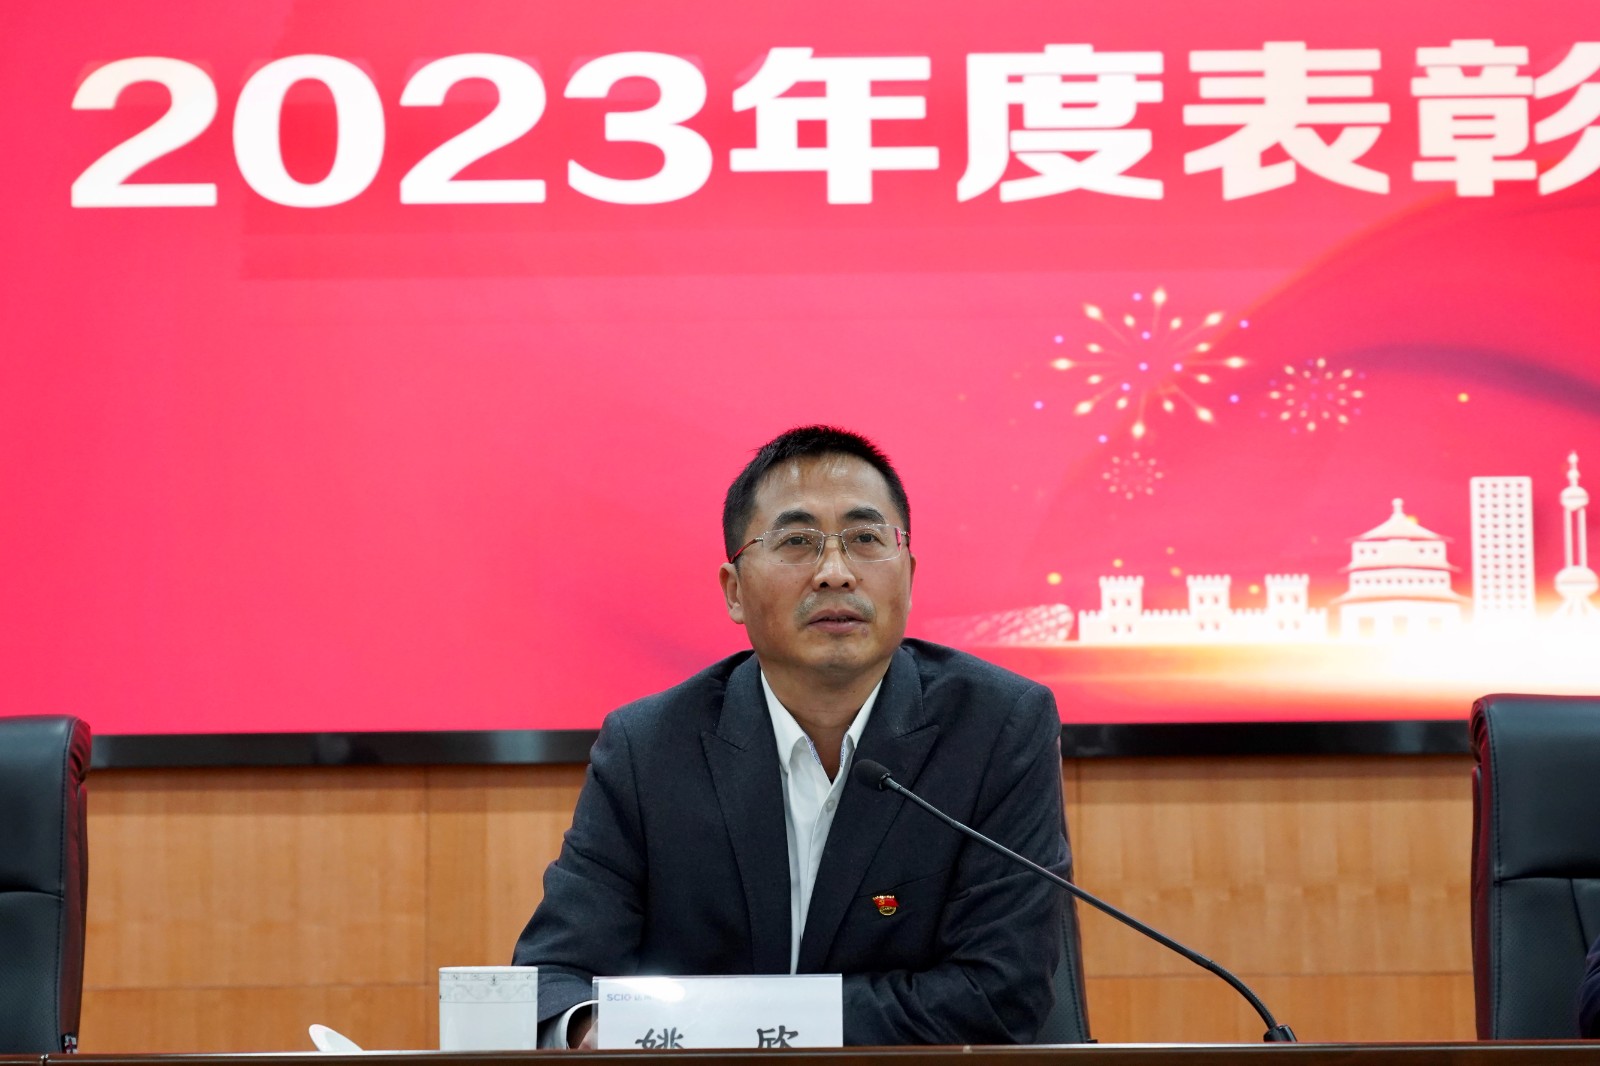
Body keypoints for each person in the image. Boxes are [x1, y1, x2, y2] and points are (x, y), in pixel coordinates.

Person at [512, 425, 1070, 1046]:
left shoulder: (997, 728)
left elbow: (999, 995)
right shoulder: (648, 749)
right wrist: (588, 1028)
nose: (835, 573)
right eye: (798, 542)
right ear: (734, 592)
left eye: (865, 539)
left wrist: (723, 1027)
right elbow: (554, 979)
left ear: (909, 576)